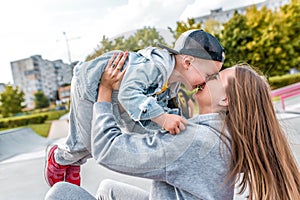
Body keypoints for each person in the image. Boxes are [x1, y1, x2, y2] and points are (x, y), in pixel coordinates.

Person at [45, 61, 300, 199]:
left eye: (217, 78)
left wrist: (104, 91)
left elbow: (106, 150)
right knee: (108, 189)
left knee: (61, 193)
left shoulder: (193, 141)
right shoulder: (229, 136)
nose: (207, 77)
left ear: (226, 100)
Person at [44, 29, 225, 187]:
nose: (207, 82)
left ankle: (75, 159)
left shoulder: (174, 80)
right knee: (91, 142)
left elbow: (158, 105)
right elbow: (129, 94)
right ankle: (59, 157)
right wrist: (162, 118)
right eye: (209, 75)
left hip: (120, 99)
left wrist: (174, 120)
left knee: (137, 133)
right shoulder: (155, 66)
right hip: (91, 85)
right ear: (187, 62)